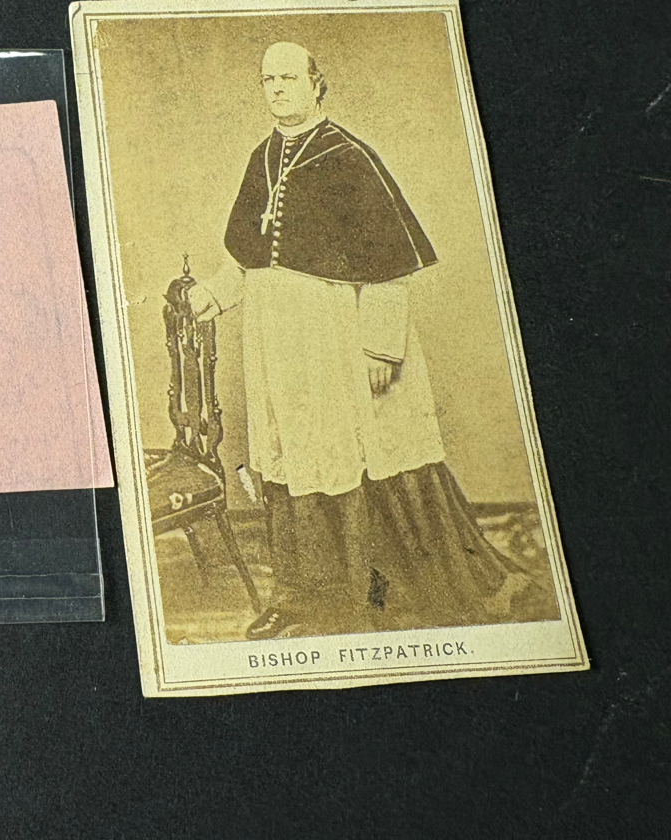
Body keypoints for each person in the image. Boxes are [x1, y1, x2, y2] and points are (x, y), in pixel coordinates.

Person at [189, 41, 530, 639]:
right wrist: (211, 296)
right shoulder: (261, 156)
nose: (277, 88)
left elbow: (388, 264)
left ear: (317, 83)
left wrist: (380, 346)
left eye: (289, 77)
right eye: (268, 79)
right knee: (294, 455)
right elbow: (250, 256)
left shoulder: (349, 156)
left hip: (335, 332)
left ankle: (375, 593)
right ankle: (301, 596)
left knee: (349, 453)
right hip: (274, 337)